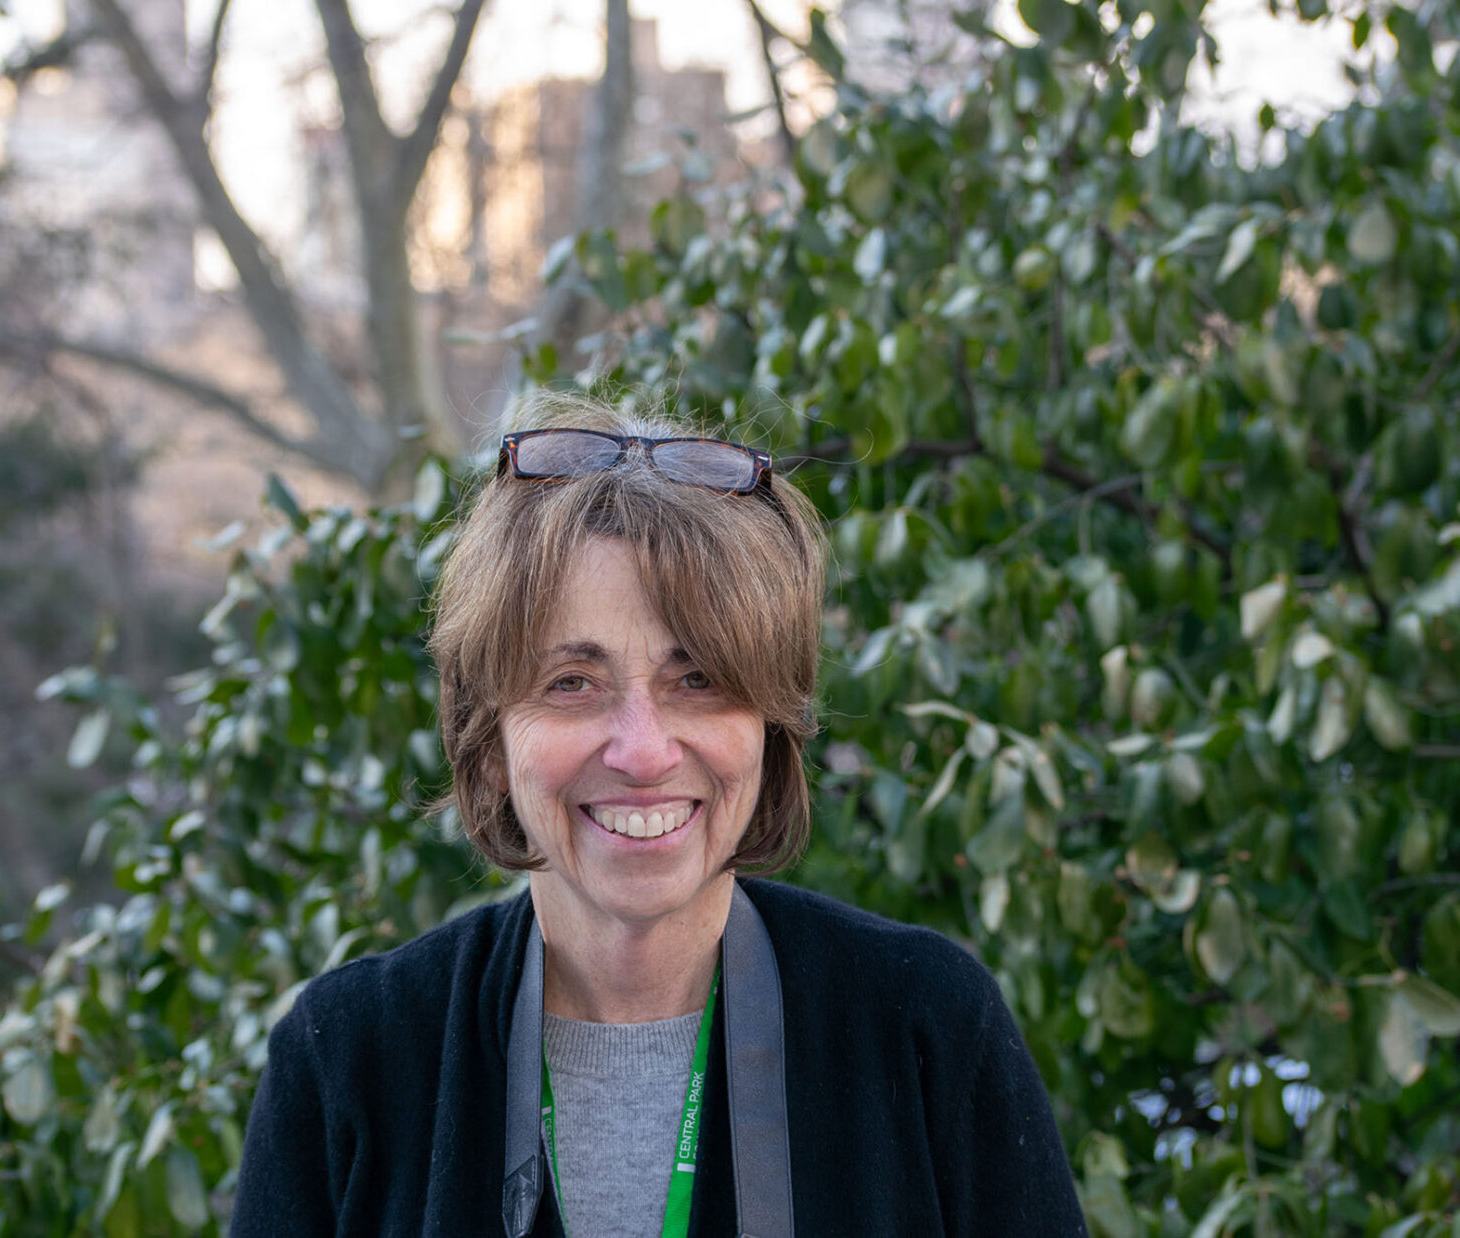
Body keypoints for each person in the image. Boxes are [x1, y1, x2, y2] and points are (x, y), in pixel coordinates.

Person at [229, 396, 1089, 1237]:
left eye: (699, 680)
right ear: (487, 738)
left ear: (771, 728)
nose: (643, 753)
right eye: (572, 683)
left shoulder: (924, 1027)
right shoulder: (346, 1059)